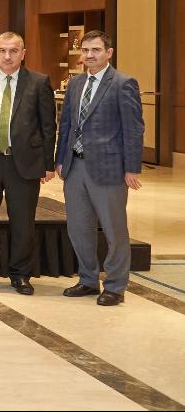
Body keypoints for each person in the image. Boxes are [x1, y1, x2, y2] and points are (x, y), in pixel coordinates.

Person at [0, 32, 56, 295]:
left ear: (23, 53)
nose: (7, 56)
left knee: (23, 222)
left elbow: (48, 126)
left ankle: (20, 274)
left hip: (23, 162)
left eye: (13, 51)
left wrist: (48, 164)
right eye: (2, 50)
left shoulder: (38, 82)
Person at [56, 30, 143, 307]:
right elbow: (66, 125)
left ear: (109, 53)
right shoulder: (75, 84)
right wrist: (60, 159)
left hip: (109, 169)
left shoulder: (123, 83)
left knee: (114, 230)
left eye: (95, 50)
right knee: (79, 228)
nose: (89, 55)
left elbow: (133, 129)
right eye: (86, 50)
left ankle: (115, 286)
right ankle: (88, 279)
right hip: (75, 166)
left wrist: (132, 168)